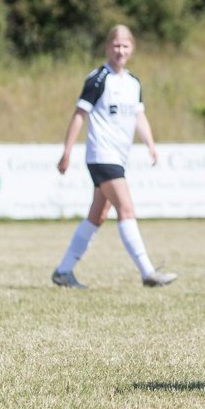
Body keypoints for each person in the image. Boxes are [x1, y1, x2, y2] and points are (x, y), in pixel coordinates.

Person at [51, 25, 177, 289]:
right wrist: (67, 151)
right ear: (108, 47)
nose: (120, 50)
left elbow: (138, 115)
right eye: (116, 45)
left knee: (97, 215)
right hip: (101, 155)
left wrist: (150, 144)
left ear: (132, 49)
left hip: (118, 157)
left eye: (125, 46)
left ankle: (64, 271)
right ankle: (148, 273)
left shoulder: (133, 82)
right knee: (126, 209)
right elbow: (79, 115)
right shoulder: (98, 79)